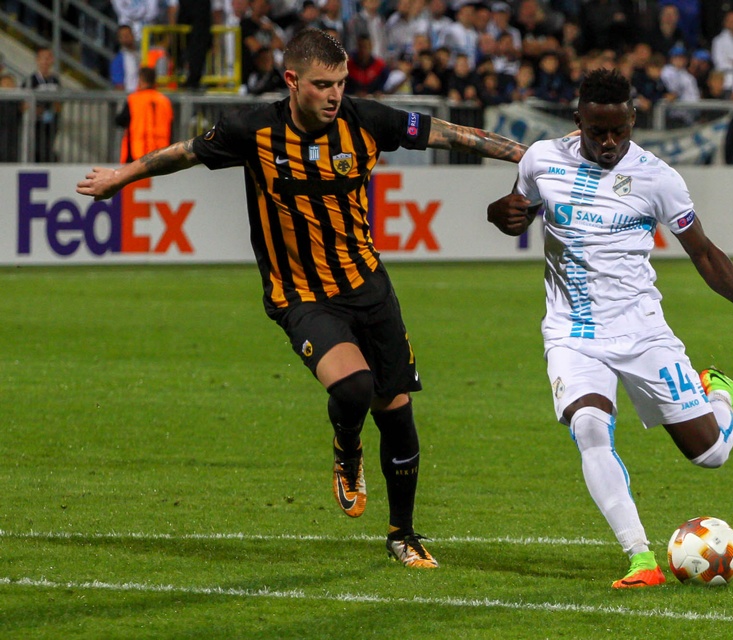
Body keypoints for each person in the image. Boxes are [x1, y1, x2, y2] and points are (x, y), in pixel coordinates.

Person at [77, 28, 526, 569]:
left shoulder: (367, 120)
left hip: (369, 287)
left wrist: (535, 158)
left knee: (398, 413)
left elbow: (453, 135)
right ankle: (347, 447)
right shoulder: (253, 130)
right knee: (354, 386)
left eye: (340, 83)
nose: (334, 95)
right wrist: (121, 177)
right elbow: (186, 153)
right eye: (322, 85)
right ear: (292, 81)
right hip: (300, 294)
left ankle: (402, 534)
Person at [485, 68, 733, 589]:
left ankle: (719, 391)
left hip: (641, 331)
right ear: (577, 119)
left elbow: (703, 253)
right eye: (596, 132)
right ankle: (641, 558)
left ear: (633, 119)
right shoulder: (540, 160)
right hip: (571, 331)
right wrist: (500, 213)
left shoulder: (657, 178)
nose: (608, 143)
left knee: (710, 454)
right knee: (588, 428)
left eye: (619, 131)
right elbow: (517, 210)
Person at [116, 66, 174, 163]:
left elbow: (121, 120)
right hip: (162, 153)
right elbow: (171, 126)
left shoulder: (134, 100)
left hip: (137, 152)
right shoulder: (164, 101)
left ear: (141, 80)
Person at [21, 46, 61, 163]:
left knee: (48, 149)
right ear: (37, 60)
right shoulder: (30, 80)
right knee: (36, 151)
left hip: (51, 125)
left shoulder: (55, 81)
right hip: (35, 125)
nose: (45, 61)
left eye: (48, 58)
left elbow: (59, 104)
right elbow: (23, 104)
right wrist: (37, 110)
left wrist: (53, 110)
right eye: (43, 58)